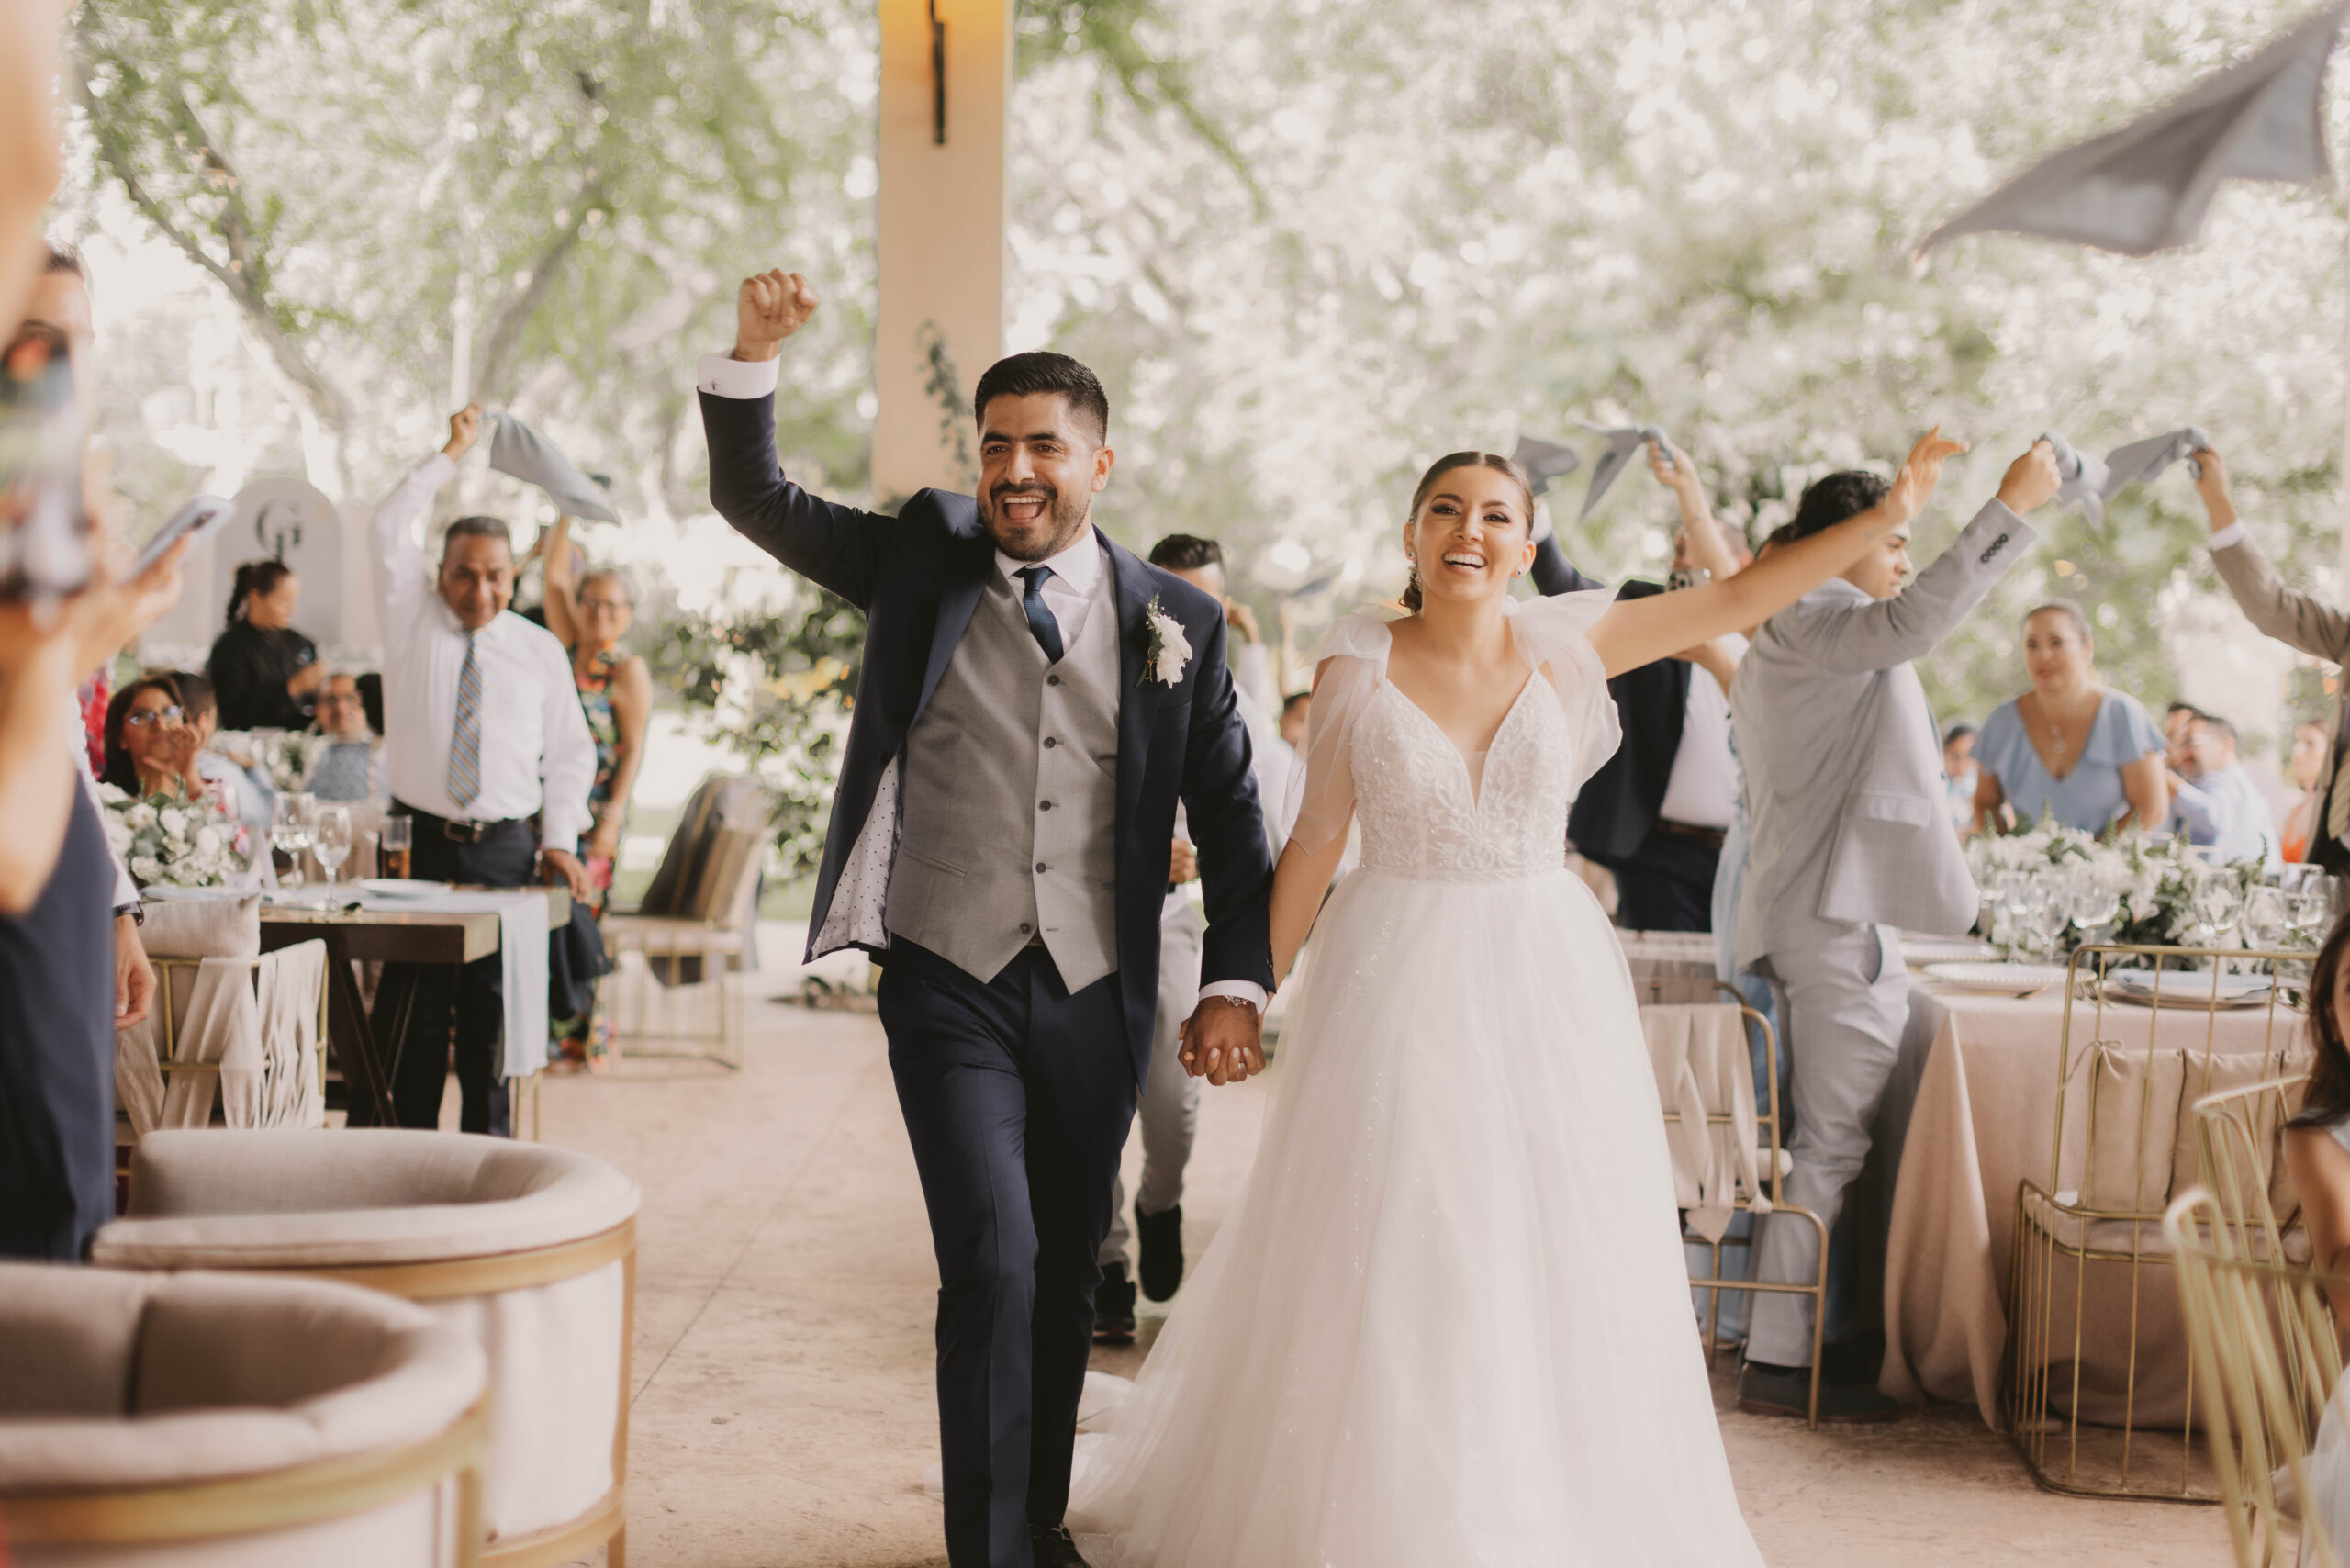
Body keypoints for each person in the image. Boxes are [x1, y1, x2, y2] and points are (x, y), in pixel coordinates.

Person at [1068, 431, 1970, 1565]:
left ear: (1527, 545)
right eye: (1446, 509)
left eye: (1497, 514)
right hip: (1395, 976)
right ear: (1411, 536)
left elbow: (1744, 594)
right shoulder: (1358, 661)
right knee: (1409, 1227)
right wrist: (1241, 988)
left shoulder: (1573, 640)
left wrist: (1888, 511)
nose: (1470, 531)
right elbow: (1315, 841)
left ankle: (1539, 1508)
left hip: (1546, 981)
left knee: (1547, 1236)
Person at [703, 268, 1274, 1568]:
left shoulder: (1177, 621)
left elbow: (1234, 815)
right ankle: (991, 1552)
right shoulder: (923, 553)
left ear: (1099, 464)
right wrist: (752, 355)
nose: (1016, 470)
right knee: (995, 1258)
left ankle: (1037, 1515)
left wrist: (1236, 981)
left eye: (1045, 447)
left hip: (1098, 983)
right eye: (997, 444)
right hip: (947, 973)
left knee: (1066, 1269)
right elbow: (757, 499)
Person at [1731, 441, 2060, 1422]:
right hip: (1830, 919)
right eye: (1895, 541)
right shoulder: (1814, 617)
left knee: (1833, 1143)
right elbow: (1918, 622)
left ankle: (1815, 1340)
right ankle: (1780, 1365)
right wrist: (2009, 506)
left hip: (1824, 912)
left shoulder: (1800, 624)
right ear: (1844, 540)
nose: (1906, 561)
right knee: (1830, 1147)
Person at [369, 403, 597, 1137]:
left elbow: (570, 753)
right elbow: (386, 523)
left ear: (513, 573)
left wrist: (559, 840)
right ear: (439, 574)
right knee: (414, 1013)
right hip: (418, 847)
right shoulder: (408, 620)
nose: (480, 591)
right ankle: (405, 1159)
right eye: (464, 575)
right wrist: (451, 451)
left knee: (494, 1019)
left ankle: (487, 1164)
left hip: (505, 849)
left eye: (495, 576)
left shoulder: (538, 649)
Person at [1091, 532, 1288, 1344]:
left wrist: (1196, 863)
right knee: (1090, 1100)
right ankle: (1105, 1264)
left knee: (1170, 1101)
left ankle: (1160, 1201)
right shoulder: (1094, 669)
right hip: (1086, 916)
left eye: (1201, 599)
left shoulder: (1243, 711)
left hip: (1176, 920)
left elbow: (1259, 827)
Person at [1539, 438, 1748, 931]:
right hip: (1658, 856)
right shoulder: (1650, 614)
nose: (1681, 563)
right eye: (1678, 551)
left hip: (1748, 853)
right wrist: (1537, 522)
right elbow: (1567, 591)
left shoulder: (1769, 636)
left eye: (1696, 552)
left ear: (1740, 564)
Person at [538, 516, 652, 1070]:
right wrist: (564, 510)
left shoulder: (626, 669)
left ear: (627, 613)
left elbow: (634, 749)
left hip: (598, 815)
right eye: (591, 602)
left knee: (583, 921)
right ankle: (550, 1034)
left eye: (612, 605)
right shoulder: (564, 650)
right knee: (551, 917)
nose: (599, 612)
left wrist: (611, 817)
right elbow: (553, 575)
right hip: (552, 813)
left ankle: (585, 1039)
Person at [1970, 599, 2167, 836]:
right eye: (2032, 645)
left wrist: (2096, 854)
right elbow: (1985, 803)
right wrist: (2006, 849)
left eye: (2056, 642)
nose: (2043, 655)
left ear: (2087, 648)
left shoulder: (2122, 715)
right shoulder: (2001, 721)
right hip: (2024, 858)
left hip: (2109, 857)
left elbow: (2151, 808)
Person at [207, 559, 322, 733]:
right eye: (283, 601)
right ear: (256, 598)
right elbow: (232, 715)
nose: (291, 610)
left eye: (293, 601)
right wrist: (292, 687)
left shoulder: (300, 642)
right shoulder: (229, 648)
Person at [2168, 711, 2281, 870]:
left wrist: (2171, 782)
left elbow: (2217, 821)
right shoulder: (2241, 787)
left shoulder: (2224, 782)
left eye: (2191, 742)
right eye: (2180, 745)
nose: (2182, 754)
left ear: (2226, 744)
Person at [308, 670, 386, 802]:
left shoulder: (385, 752)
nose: (341, 708)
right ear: (317, 710)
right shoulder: (308, 754)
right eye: (331, 700)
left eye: (350, 698)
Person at [2283, 719, 2330, 864]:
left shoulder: (2335, 813)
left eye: (2310, 743)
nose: (2298, 751)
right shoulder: (2295, 812)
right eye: (2297, 742)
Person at [1943, 722, 1978, 832]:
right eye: (1954, 756)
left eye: (1968, 756)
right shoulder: (1939, 784)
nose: (1961, 765)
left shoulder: (1978, 786)